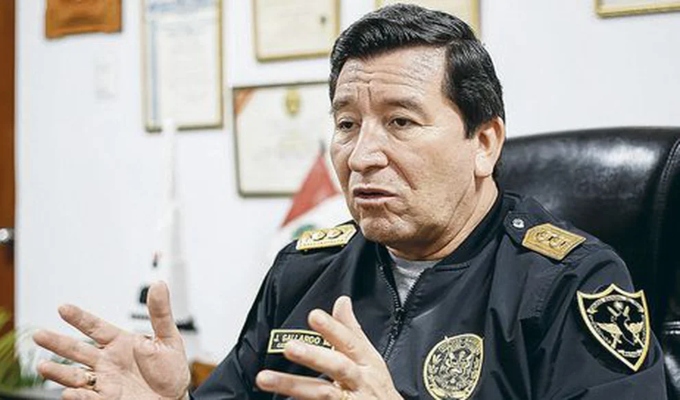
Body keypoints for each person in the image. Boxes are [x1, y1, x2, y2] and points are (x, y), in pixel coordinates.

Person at [33, 4, 667, 400]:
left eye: (400, 122)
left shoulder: (570, 284)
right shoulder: (304, 270)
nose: (362, 155)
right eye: (345, 124)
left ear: (484, 143)